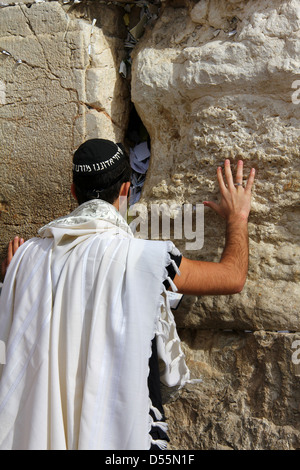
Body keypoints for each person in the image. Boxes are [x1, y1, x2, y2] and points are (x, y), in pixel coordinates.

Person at [0, 138, 255, 450]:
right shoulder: (145, 257)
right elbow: (232, 277)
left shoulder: (26, 258)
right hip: (125, 432)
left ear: (73, 191)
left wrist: (14, 276)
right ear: (125, 190)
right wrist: (237, 217)